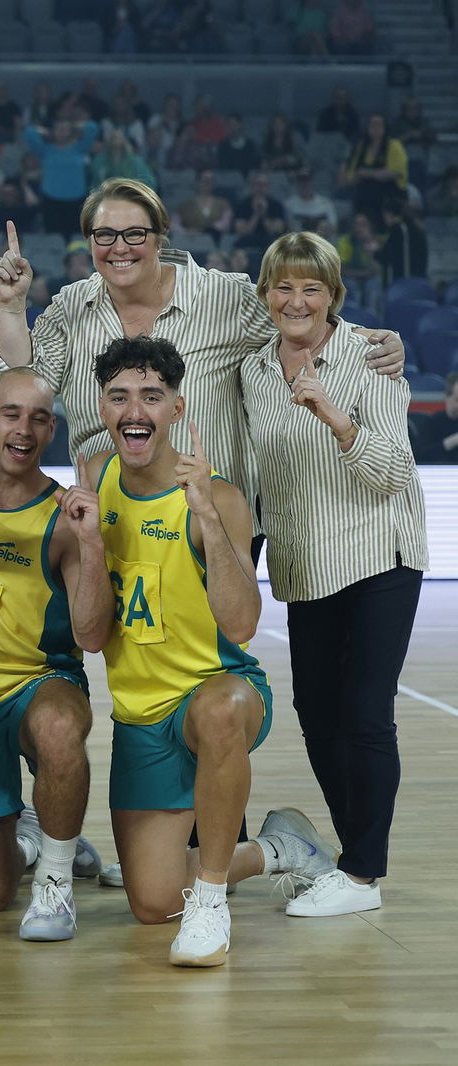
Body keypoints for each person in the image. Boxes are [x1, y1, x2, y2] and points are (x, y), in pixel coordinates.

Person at [80, 335, 336, 967]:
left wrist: (208, 521)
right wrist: (86, 544)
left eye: (151, 396)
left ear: (177, 408)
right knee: (151, 902)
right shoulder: (95, 478)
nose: (134, 409)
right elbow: (89, 634)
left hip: (218, 690)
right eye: (119, 396)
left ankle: (213, 902)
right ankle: (279, 849)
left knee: (221, 712)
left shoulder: (217, 497)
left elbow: (243, 622)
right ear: (103, 407)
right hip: (141, 715)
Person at [0, 178, 404, 517]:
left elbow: (301, 317)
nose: (119, 247)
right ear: (89, 240)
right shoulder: (70, 306)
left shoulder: (225, 297)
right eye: (104, 234)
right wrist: (10, 308)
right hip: (109, 516)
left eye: (134, 233)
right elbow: (23, 381)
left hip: (213, 517)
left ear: (160, 237)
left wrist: (374, 338)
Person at [242, 232, 427, 916]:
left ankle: (363, 874)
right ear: (264, 296)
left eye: (311, 288)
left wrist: (334, 417)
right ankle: (350, 863)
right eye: (283, 287)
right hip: (303, 560)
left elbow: (393, 473)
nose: (296, 301)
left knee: (364, 715)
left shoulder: (370, 358)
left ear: (333, 297)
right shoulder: (253, 369)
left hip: (380, 555)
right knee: (316, 715)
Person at [0, 369, 112, 942]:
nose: (24, 429)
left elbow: (91, 635)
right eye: (10, 413)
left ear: (51, 428)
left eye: (38, 418)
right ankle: (41, 828)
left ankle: (55, 878)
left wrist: (91, 542)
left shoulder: (63, 515)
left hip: (37, 684)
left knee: (59, 728)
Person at [341, 114, 407, 220]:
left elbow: (395, 172)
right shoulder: (361, 148)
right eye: (372, 124)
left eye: (379, 124)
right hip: (364, 200)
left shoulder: (394, 145)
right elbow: (352, 176)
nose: (375, 127)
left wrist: (367, 173)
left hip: (389, 199)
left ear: (385, 127)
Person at [414, 372, 458, 463]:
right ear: (446, 396)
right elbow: (421, 456)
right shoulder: (431, 423)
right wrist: (452, 441)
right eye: (457, 400)